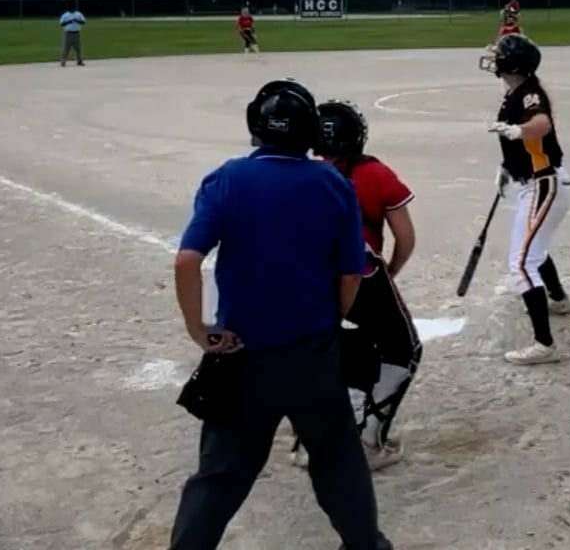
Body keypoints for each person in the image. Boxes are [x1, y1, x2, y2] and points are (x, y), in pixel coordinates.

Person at [169, 80, 393, 550]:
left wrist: (199, 330)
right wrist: (332, 317)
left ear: (256, 125)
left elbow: (187, 261)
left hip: (243, 353)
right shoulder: (332, 183)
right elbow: (351, 273)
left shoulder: (227, 178)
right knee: (337, 459)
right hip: (313, 353)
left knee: (220, 475)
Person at [292, 99, 420, 472]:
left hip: (307, 273)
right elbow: (405, 238)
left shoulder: (304, 172)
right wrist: (389, 272)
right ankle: (368, 442)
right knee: (402, 349)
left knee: (322, 347)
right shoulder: (376, 173)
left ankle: (307, 442)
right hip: (361, 272)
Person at [480, 32, 570, 366]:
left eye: (501, 54)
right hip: (537, 180)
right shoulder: (515, 93)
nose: (494, 57)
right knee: (534, 250)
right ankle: (558, 299)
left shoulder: (530, 94)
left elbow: (541, 125)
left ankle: (544, 345)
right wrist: (508, 166)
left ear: (513, 65)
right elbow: (524, 144)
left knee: (521, 264)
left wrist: (519, 131)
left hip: (543, 183)